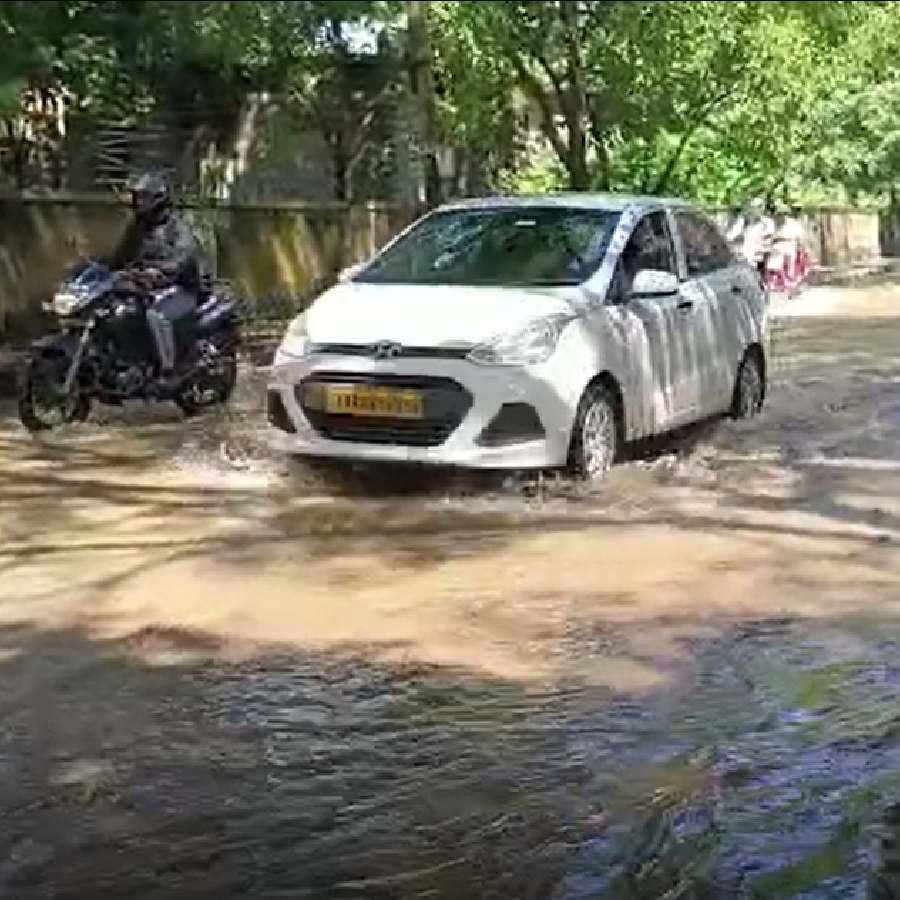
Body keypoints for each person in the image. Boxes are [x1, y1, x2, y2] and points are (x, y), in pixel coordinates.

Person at [109, 171, 201, 385]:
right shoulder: (137, 228)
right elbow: (119, 258)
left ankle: (169, 371)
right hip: (145, 287)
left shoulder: (177, 228)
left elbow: (182, 257)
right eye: (137, 197)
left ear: (158, 200)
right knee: (115, 310)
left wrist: (159, 271)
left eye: (144, 197)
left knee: (156, 315)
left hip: (180, 288)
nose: (139, 202)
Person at [727, 197, 775, 277]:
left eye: (760, 206)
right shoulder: (743, 221)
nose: (756, 209)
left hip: (759, 258)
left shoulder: (767, 222)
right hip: (745, 257)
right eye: (753, 207)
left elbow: (770, 239)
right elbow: (730, 236)